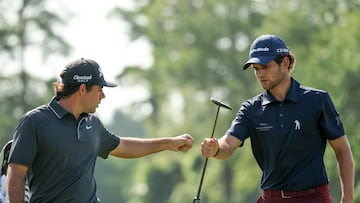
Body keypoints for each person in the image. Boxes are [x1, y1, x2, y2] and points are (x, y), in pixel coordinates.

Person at [6, 58, 194, 203]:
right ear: (82, 89)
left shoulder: (93, 125)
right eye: (99, 89)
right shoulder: (35, 121)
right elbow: (16, 173)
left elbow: (124, 146)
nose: (103, 96)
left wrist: (169, 143)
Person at [200, 34, 354, 203]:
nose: (260, 74)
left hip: (314, 198)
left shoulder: (317, 100)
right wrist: (215, 149)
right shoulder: (251, 109)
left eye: (265, 66)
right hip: (271, 198)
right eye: (256, 69)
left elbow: (342, 151)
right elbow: (228, 145)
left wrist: (347, 198)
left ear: (285, 63)